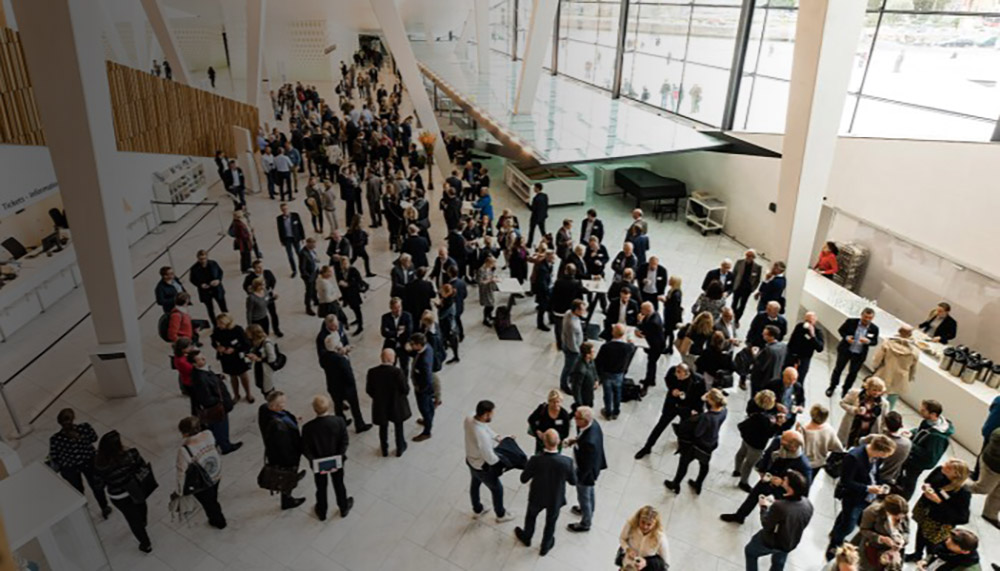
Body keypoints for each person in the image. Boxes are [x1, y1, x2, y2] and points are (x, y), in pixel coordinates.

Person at [825, 434, 898, 560]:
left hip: (867, 496)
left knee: (845, 517)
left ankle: (835, 533)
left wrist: (881, 485)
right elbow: (846, 481)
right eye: (886, 454)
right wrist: (867, 488)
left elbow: (875, 473)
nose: (886, 457)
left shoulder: (876, 458)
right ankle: (834, 545)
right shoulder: (854, 457)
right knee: (849, 525)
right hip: (853, 496)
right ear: (879, 451)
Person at [722, 429, 812, 525]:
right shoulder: (778, 440)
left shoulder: (803, 466)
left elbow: (803, 490)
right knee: (753, 495)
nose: (781, 441)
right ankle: (740, 516)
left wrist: (782, 483)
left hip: (781, 491)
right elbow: (767, 454)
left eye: (784, 442)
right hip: (768, 478)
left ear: (793, 447)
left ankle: (769, 528)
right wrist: (762, 471)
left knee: (775, 511)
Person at [514, 429, 577, 556]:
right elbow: (573, 481)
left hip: (537, 496)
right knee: (551, 522)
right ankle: (545, 546)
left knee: (531, 517)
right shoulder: (567, 462)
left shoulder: (535, 460)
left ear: (543, 442)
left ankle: (527, 537)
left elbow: (523, 478)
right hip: (555, 498)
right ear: (558, 442)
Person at [743, 470, 814, 571]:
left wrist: (763, 507)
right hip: (789, 542)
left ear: (790, 488)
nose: (783, 481)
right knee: (778, 563)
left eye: (785, 481)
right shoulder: (808, 505)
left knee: (750, 552)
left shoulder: (780, 506)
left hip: (771, 542)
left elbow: (766, 524)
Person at [95, 431, 153, 553]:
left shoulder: (100, 464)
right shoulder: (132, 454)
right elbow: (142, 468)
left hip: (118, 496)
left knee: (132, 519)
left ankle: (145, 544)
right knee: (141, 506)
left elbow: (99, 483)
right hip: (136, 489)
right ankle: (143, 522)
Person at [49, 408, 112, 519]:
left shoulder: (55, 439)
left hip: (70, 468)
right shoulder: (84, 428)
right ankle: (104, 507)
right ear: (74, 418)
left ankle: (83, 511)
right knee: (96, 486)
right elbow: (94, 438)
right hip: (89, 461)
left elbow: (54, 455)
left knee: (77, 490)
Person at [663, 388, 728, 495]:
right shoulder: (724, 410)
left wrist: (694, 417)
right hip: (711, 443)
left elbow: (698, 433)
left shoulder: (706, 417)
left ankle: (675, 484)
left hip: (697, 446)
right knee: (704, 465)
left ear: (711, 401)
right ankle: (698, 484)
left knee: (683, 463)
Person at [635, 363, 706, 459]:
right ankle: (647, 447)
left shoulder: (698, 380)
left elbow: (700, 397)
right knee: (660, 426)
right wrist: (672, 389)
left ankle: (681, 443)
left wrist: (697, 410)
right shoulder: (673, 371)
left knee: (684, 428)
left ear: (687, 373)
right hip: (672, 405)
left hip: (687, 408)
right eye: (676, 374)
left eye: (680, 376)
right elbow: (667, 379)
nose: (677, 377)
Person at [907, 458, 972, 563]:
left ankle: (928, 562)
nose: (944, 466)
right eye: (946, 464)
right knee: (920, 532)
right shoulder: (940, 470)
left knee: (932, 544)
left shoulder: (963, 492)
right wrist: (927, 486)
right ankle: (917, 554)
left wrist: (938, 501)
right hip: (925, 510)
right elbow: (928, 481)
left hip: (939, 521)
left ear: (956, 474)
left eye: (948, 468)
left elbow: (962, 517)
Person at [301, 394, 353, 520]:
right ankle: (343, 507)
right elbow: (344, 441)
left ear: (314, 409)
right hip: (336, 461)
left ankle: (322, 510)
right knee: (339, 484)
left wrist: (313, 460)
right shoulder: (339, 421)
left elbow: (305, 448)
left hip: (319, 463)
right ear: (329, 406)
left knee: (321, 487)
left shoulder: (308, 428)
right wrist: (339, 456)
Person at [316, 315, 371, 432]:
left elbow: (344, 338)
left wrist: (346, 348)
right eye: (333, 326)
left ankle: (357, 423)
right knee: (340, 401)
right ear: (327, 326)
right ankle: (343, 423)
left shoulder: (339, 326)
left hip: (343, 362)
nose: (336, 327)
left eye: (337, 325)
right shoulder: (322, 338)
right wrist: (337, 355)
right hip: (335, 375)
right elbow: (322, 361)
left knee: (347, 402)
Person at [464, 400, 516, 522]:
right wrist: (502, 462)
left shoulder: (470, 418)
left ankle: (477, 509)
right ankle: (500, 515)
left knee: (475, 483)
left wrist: (498, 438)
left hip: (471, 460)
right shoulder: (481, 435)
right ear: (485, 415)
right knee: (497, 489)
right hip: (482, 466)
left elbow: (485, 427)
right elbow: (490, 458)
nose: (493, 415)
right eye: (491, 414)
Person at [897, 399, 955, 499]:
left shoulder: (937, 437)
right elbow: (921, 431)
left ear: (933, 414)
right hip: (913, 454)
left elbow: (929, 456)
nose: (920, 410)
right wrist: (912, 433)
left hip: (920, 462)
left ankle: (904, 498)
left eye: (924, 410)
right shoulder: (929, 422)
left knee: (910, 479)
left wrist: (910, 443)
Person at [175, 416, 226, 529]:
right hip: (215, 473)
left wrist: (180, 490)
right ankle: (215, 507)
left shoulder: (184, 450)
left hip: (202, 481)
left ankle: (218, 521)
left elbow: (181, 472)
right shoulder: (208, 434)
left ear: (185, 433)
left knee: (209, 504)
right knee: (213, 495)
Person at [258, 391, 306, 510]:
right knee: (286, 476)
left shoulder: (264, 408)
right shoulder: (279, 428)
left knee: (290, 473)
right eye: (282, 403)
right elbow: (285, 449)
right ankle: (287, 500)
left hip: (276, 449)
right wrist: (293, 461)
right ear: (274, 406)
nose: (285, 404)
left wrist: (293, 420)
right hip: (286, 456)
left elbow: (284, 415)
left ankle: (294, 476)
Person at [187, 350, 242, 454]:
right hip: (217, 407)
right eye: (200, 359)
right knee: (221, 427)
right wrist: (220, 401)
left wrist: (217, 377)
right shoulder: (200, 379)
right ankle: (226, 447)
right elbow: (206, 399)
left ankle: (216, 441)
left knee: (215, 427)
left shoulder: (201, 370)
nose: (204, 359)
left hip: (217, 405)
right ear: (194, 363)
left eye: (202, 356)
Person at [730, 390, 781, 492]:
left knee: (741, 453)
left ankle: (737, 470)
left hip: (747, 436)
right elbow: (770, 433)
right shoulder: (765, 419)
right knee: (749, 463)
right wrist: (778, 424)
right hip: (757, 444)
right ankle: (743, 482)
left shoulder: (752, 404)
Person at [565, 406, 606, 532]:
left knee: (584, 496)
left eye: (577, 418)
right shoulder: (592, 425)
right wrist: (575, 441)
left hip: (585, 473)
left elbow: (586, 466)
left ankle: (585, 523)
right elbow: (583, 437)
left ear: (585, 420)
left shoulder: (589, 442)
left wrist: (577, 479)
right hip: (591, 467)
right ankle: (586, 509)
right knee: (589, 493)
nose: (574, 420)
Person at [366, 349, 411, 457]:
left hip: (380, 405)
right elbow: (405, 389)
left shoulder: (372, 372)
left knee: (383, 428)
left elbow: (369, 390)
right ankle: (400, 448)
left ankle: (384, 449)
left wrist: (378, 397)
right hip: (396, 404)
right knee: (398, 427)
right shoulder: (397, 372)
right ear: (392, 359)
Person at [827, 308, 881, 398]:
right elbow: (841, 330)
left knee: (853, 373)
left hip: (859, 354)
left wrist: (868, 341)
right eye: (865, 317)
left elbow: (875, 341)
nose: (867, 319)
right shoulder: (851, 321)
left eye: (869, 318)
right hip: (846, 350)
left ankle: (846, 390)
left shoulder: (874, 329)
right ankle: (832, 387)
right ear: (861, 315)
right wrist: (847, 338)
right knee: (838, 369)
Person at [851, 494, 910, 571]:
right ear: (888, 511)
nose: (901, 518)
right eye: (898, 516)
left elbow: (907, 532)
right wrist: (881, 538)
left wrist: (902, 540)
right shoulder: (872, 512)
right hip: (873, 549)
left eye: (903, 515)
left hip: (892, 554)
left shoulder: (903, 514)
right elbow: (864, 530)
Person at [872, 325, 920, 409]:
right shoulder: (915, 350)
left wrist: (875, 367)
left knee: (875, 395)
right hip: (900, 377)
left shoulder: (888, 343)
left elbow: (878, 359)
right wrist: (910, 377)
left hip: (884, 373)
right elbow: (914, 368)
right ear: (910, 334)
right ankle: (886, 417)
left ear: (899, 331)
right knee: (891, 402)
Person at [211, 313, 253, 404]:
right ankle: (236, 395)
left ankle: (248, 394)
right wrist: (218, 348)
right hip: (226, 357)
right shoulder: (217, 330)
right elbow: (213, 341)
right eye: (218, 323)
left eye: (221, 323)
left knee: (243, 375)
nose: (218, 325)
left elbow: (247, 344)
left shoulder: (237, 330)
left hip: (238, 357)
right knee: (232, 376)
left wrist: (235, 349)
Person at [838, 376, 890, 447]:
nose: (877, 393)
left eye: (879, 391)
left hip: (868, 432)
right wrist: (855, 410)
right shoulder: (855, 393)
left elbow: (884, 420)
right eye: (874, 390)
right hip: (852, 428)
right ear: (868, 387)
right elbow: (842, 403)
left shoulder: (884, 403)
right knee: (842, 447)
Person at [596, 324, 634, 420]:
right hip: (619, 374)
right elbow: (632, 345)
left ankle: (608, 412)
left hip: (607, 373)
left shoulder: (606, 347)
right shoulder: (627, 347)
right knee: (617, 392)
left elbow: (598, 361)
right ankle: (616, 411)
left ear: (613, 333)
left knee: (607, 394)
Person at [618, 506, 669, 571]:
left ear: (655, 524)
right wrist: (627, 549)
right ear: (638, 519)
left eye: (649, 524)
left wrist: (646, 562)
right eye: (642, 522)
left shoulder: (660, 537)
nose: (645, 526)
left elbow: (665, 563)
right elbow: (622, 539)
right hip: (627, 566)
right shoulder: (630, 525)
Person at [969, 426, 1000, 529]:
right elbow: (995, 439)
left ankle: (990, 514)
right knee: (982, 488)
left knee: (998, 493)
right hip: (993, 465)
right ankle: (953, 486)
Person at [798, 404, 845, 470]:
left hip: (805, 464)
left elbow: (797, 449)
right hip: (822, 464)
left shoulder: (803, 430)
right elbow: (839, 448)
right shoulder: (828, 429)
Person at [408, 333, 435, 442]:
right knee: (429, 407)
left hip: (423, 388)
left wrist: (420, 389)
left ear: (419, 345)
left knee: (424, 409)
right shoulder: (427, 347)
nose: (411, 345)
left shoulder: (423, 361)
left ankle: (427, 431)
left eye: (412, 344)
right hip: (426, 387)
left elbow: (427, 378)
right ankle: (428, 420)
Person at [527, 390, 572, 454]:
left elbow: (566, 432)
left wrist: (557, 438)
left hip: (555, 444)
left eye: (558, 402)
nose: (556, 404)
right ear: (549, 401)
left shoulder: (564, 415)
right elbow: (531, 419)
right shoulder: (542, 409)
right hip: (541, 442)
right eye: (553, 402)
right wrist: (537, 431)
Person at [189, 250, 227, 325]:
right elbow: (192, 279)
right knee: (210, 310)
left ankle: (227, 321)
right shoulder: (194, 268)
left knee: (223, 307)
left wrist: (218, 280)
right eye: (201, 259)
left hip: (216, 289)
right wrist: (200, 285)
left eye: (204, 258)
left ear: (207, 257)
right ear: (198, 258)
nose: (203, 261)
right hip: (205, 291)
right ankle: (215, 325)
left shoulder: (213, 263)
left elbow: (220, 272)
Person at [785, 311, 824, 385]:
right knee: (786, 373)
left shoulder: (818, 332)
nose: (808, 323)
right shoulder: (799, 326)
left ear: (815, 321)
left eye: (810, 321)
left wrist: (813, 336)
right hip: (793, 354)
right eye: (806, 320)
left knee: (800, 378)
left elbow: (820, 348)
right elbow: (792, 340)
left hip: (804, 357)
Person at [917, 528, 983, 571]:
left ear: (965, 551)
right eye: (950, 538)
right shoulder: (945, 547)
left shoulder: (968, 567)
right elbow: (935, 554)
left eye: (953, 543)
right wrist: (925, 561)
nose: (947, 541)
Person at [749, 325, 788, 394]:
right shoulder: (783, 346)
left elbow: (759, 365)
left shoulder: (768, 350)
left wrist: (755, 354)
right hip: (775, 378)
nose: (762, 335)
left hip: (762, 381)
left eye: (765, 334)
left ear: (772, 336)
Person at [732, 249, 762, 325]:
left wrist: (752, 289)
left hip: (747, 289)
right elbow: (734, 273)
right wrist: (733, 285)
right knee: (734, 303)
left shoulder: (757, 267)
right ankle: (732, 316)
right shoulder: (739, 262)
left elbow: (757, 280)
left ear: (754, 257)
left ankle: (737, 319)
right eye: (747, 255)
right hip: (738, 286)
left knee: (742, 304)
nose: (748, 257)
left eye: (751, 256)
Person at [336, 255, 365, 335]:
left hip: (354, 294)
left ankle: (360, 326)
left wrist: (348, 284)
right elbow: (339, 282)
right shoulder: (340, 272)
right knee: (353, 308)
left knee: (357, 309)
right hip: (347, 295)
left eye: (345, 263)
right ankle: (357, 320)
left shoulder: (353, 270)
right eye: (342, 264)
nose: (344, 265)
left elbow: (359, 281)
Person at [276, 203, 305, 277]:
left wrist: (303, 237)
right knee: (290, 255)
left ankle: (303, 268)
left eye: (286, 209)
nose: (285, 210)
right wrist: (281, 241)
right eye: (283, 209)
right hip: (287, 239)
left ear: (288, 208)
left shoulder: (295, 215)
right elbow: (279, 230)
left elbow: (300, 226)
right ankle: (294, 270)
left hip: (295, 238)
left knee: (299, 253)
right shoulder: (279, 218)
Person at [570, 341, 599, 410]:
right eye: (592, 351)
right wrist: (580, 404)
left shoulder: (590, 360)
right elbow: (576, 388)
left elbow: (593, 369)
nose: (594, 352)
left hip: (589, 391)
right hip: (584, 396)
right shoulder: (580, 369)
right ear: (587, 355)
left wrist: (596, 379)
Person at [299, 237, 321, 315]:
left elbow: (314, 259)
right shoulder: (303, 253)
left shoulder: (312, 251)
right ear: (308, 243)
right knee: (309, 291)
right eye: (313, 244)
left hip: (315, 272)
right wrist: (307, 277)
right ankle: (308, 307)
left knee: (315, 288)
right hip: (309, 276)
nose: (315, 245)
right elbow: (302, 267)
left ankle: (315, 300)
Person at [478, 255, 500, 326]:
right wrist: (490, 280)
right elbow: (480, 282)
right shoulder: (481, 270)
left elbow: (491, 275)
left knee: (491, 303)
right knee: (489, 305)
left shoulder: (489, 268)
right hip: (485, 290)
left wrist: (494, 278)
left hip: (490, 288)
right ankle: (485, 318)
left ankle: (489, 316)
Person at [663, 275, 683, 351]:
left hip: (671, 316)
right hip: (669, 315)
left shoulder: (675, 294)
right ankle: (667, 346)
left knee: (668, 331)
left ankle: (668, 347)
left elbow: (673, 306)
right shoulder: (674, 291)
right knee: (668, 331)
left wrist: (665, 301)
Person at [527, 182, 548, 247]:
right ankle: (547, 242)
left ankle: (529, 244)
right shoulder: (545, 196)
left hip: (535, 217)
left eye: (535, 188)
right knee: (543, 231)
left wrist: (527, 203)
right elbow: (546, 206)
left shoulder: (535, 198)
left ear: (537, 188)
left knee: (531, 231)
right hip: (542, 216)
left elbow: (532, 209)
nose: (534, 189)